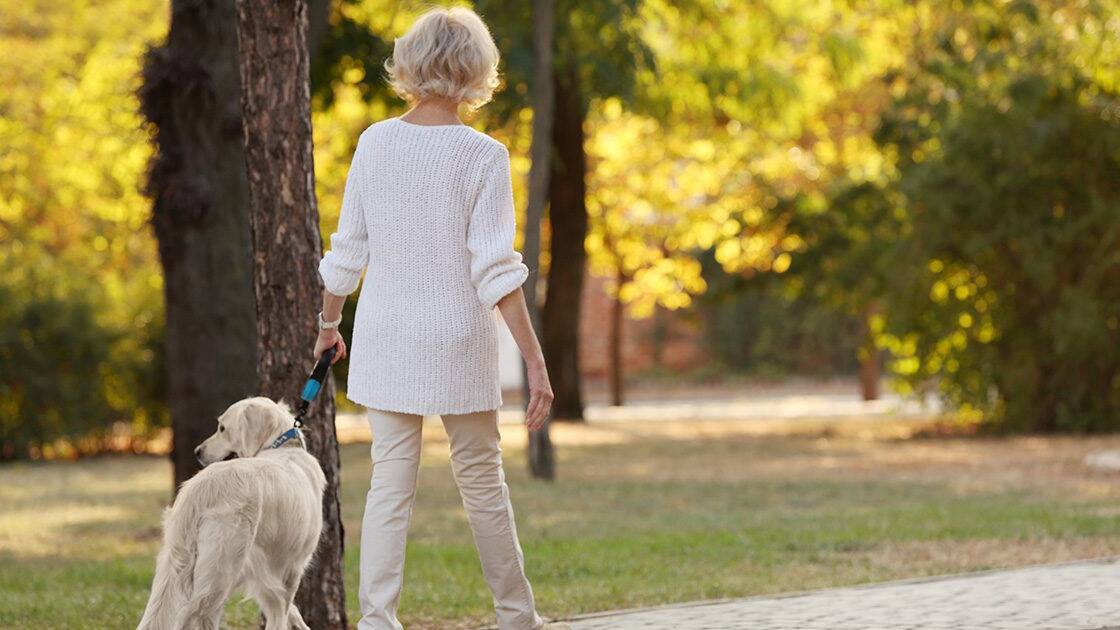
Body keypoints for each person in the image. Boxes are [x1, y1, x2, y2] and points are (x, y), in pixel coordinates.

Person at [313, 7, 554, 630]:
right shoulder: (483, 156)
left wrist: (328, 326)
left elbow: (348, 251)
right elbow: (497, 269)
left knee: (389, 487)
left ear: (411, 62)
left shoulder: (375, 142)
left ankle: (377, 621)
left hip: (386, 337)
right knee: (482, 483)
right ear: (476, 70)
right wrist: (533, 357)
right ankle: (516, 616)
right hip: (457, 337)